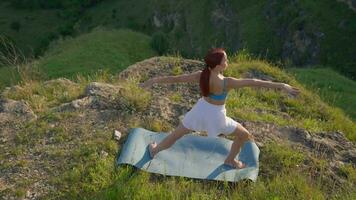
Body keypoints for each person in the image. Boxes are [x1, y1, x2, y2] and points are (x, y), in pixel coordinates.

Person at [139, 48, 300, 169]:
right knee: (244, 135)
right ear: (217, 66)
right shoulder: (227, 82)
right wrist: (282, 86)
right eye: (225, 60)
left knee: (175, 135)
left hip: (200, 111)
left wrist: (153, 81)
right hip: (216, 117)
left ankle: (155, 151)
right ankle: (230, 160)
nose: (227, 62)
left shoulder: (201, 75)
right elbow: (254, 81)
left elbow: (175, 79)